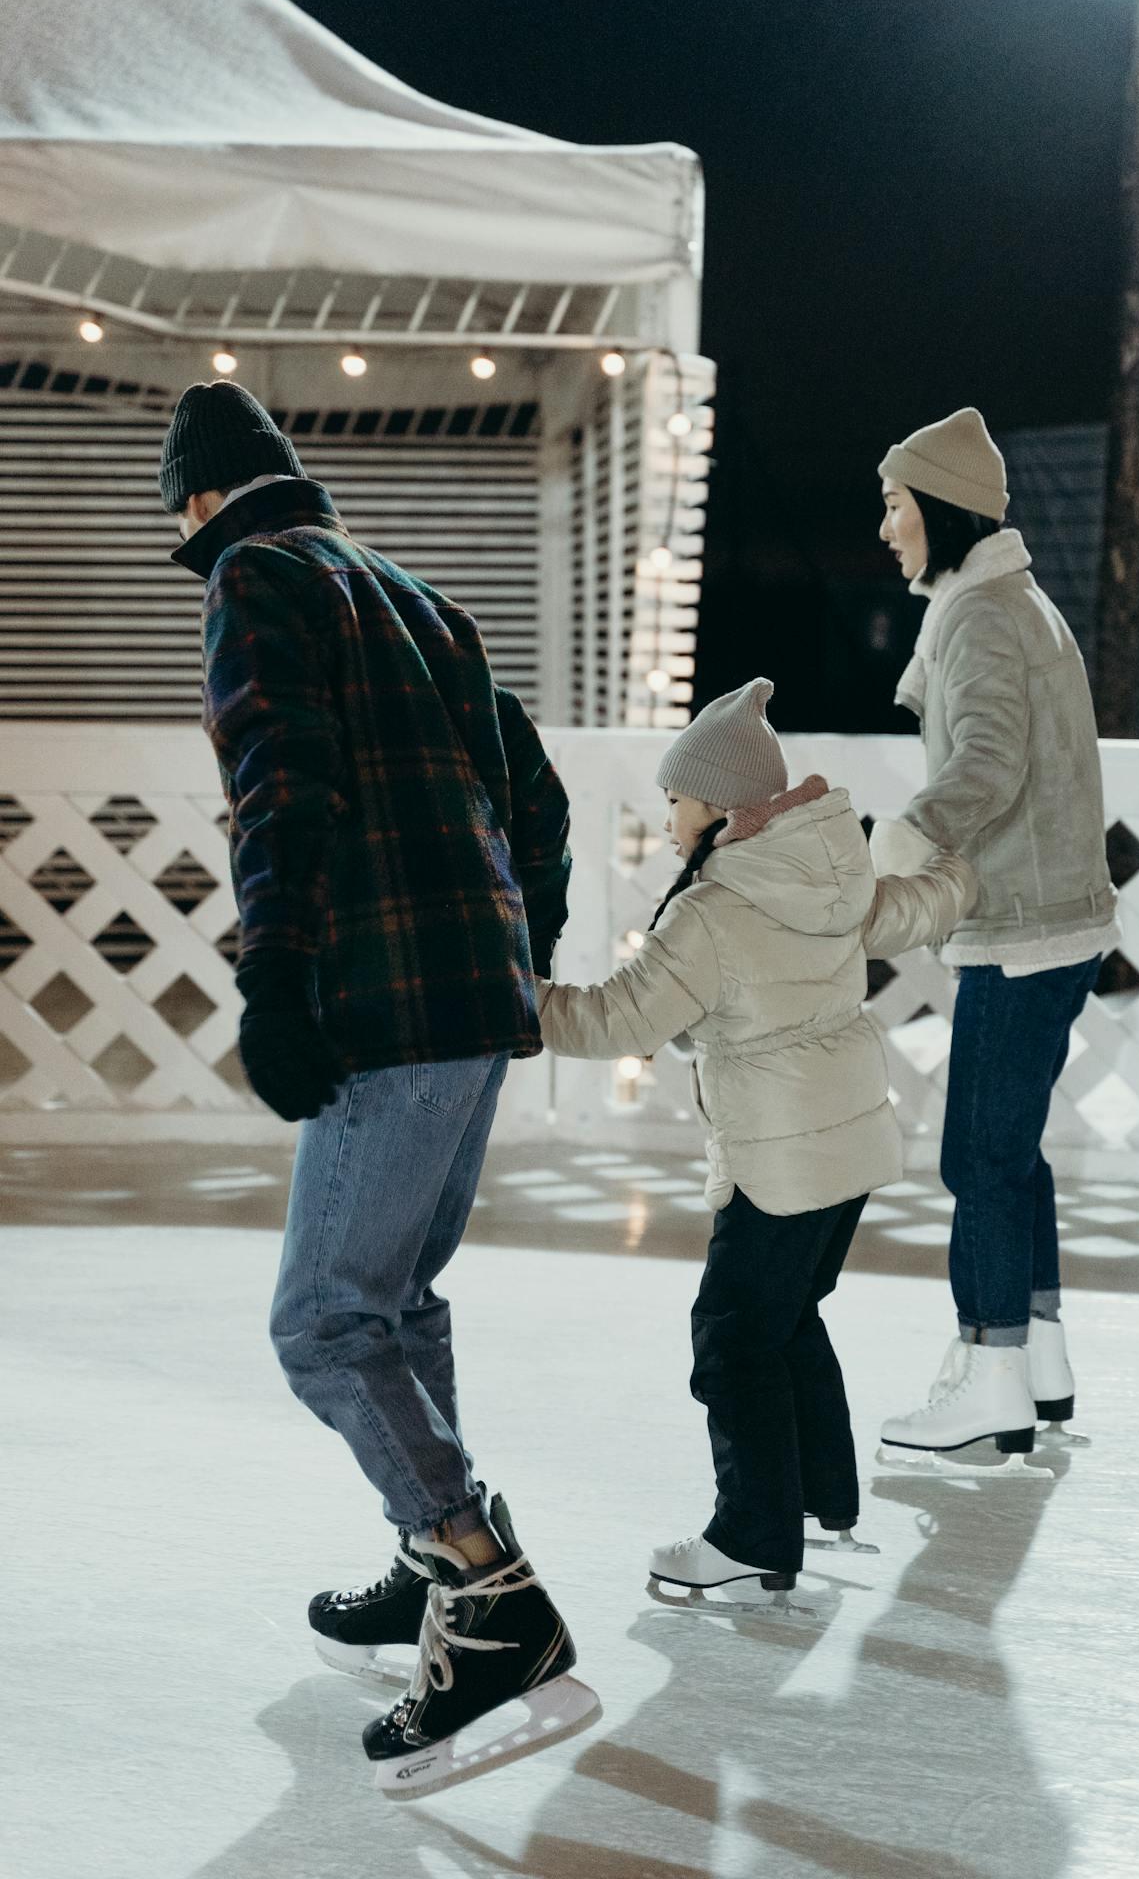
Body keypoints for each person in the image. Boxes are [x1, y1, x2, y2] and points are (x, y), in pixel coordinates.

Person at [162, 379, 597, 1798]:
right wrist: (508, 944)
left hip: (379, 1001)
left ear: (207, 504)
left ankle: (491, 1590)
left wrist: (274, 974)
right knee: (397, 1300)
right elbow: (537, 801)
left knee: (325, 1320)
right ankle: (431, 1564)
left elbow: (280, 782)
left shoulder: (252, 577)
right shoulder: (427, 603)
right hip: (473, 1003)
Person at [536, 678, 974, 1596]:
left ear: (721, 808)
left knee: (732, 1337)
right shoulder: (828, 872)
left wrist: (510, 999)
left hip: (780, 1159)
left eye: (675, 802)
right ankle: (819, 1496)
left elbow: (617, 1018)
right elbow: (913, 908)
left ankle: (752, 1535)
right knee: (787, 1317)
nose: (666, 823)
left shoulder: (714, 912)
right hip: (846, 1148)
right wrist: (965, 873)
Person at [870, 407, 1120, 1464]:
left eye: (891, 505)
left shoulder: (979, 617)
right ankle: (1038, 1357)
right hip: (1057, 919)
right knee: (1007, 1154)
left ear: (936, 505)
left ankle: (989, 1377)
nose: (884, 529)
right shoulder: (1016, 602)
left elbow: (985, 763)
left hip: (1019, 928)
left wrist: (906, 837)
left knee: (973, 1156)